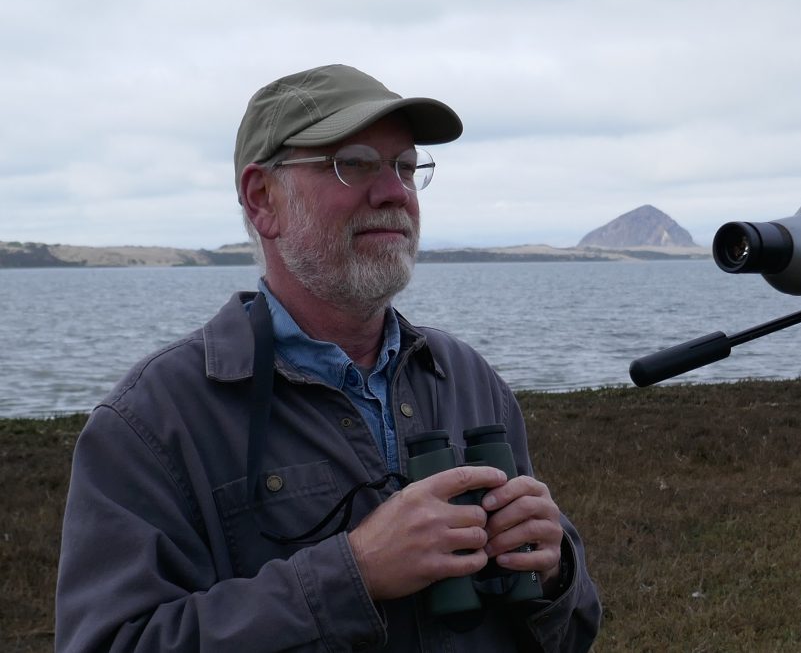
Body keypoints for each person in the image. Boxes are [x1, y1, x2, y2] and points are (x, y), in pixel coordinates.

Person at [55, 64, 601, 652]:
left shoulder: (468, 378)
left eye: (406, 167)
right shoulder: (151, 423)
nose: (394, 192)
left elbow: (572, 632)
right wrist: (355, 574)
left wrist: (556, 574)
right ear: (263, 199)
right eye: (355, 163)